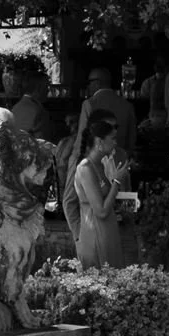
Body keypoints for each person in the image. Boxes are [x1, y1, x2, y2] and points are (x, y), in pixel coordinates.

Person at [73, 109, 127, 269]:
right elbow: (101, 211)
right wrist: (117, 181)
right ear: (99, 142)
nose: (115, 143)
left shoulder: (99, 165)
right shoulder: (85, 168)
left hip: (108, 233)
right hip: (95, 235)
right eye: (112, 139)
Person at [76, 65, 137, 160]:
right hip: (118, 165)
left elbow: (81, 142)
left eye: (90, 82)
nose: (88, 86)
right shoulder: (127, 105)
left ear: (97, 83)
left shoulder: (89, 104)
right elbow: (131, 142)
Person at [9, 71, 54, 141]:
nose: (48, 91)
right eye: (47, 86)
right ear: (39, 88)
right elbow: (42, 142)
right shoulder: (38, 111)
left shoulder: (15, 108)